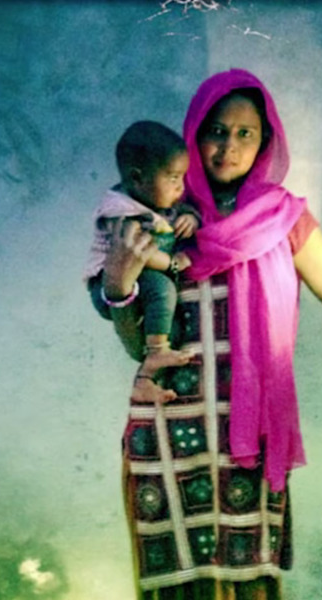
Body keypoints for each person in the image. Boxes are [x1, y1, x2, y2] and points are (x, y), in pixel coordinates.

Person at [96, 68, 322, 600]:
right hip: (165, 439)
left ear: (266, 139)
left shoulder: (288, 220)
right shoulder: (161, 218)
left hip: (246, 445)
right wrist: (118, 283)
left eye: (244, 131)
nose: (227, 145)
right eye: (214, 130)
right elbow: (136, 339)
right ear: (191, 134)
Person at [84, 120, 201, 404]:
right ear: (137, 179)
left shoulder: (152, 198)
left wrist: (191, 217)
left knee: (167, 327)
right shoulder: (120, 211)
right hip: (110, 283)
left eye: (183, 178)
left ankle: (146, 379)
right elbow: (140, 252)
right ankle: (157, 354)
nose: (180, 186)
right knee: (164, 290)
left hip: (139, 281)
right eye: (173, 178)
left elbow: (177, 210)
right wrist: (173, 263)